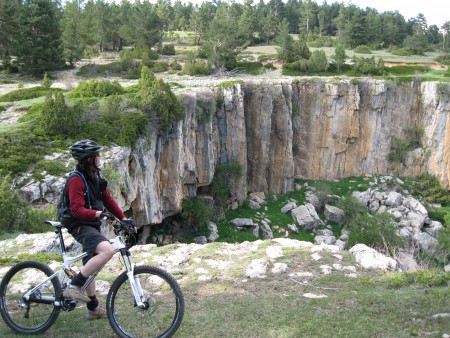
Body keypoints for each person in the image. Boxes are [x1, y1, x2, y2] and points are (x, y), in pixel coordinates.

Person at [63, 139, 128, 320]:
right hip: (77, 224)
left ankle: (93, 308)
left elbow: (107, 199)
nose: (100, 157)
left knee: (91, 261)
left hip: (90, 224)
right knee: (107, 250)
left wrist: (123, 218)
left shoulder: (95, 176)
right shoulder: (76, 179)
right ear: (90, 159)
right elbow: (76, 210)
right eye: (97, 154)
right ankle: (74, 285)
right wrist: (99, 214)